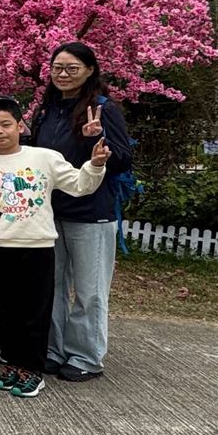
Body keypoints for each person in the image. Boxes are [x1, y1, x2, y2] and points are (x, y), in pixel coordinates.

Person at [0, 97, 110, 399]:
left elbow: (79, 185)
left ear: (20, 125)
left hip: (37, 247)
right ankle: (13, 364)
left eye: (5, 124)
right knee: (5, 312)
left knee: (34, 311)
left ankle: (32, 371)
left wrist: (95, 164)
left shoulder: (45, 158)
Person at [31, 42, 134, 383]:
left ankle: (86, 356)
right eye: (57, 68)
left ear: (90, 70)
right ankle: (54, 349)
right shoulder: (46, 110)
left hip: (91, 213)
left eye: (71, 68)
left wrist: (96, 139)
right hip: (50, 212)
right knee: (53, 286)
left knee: (89, 291)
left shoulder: (103, 108)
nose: (62, 74)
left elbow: (122, 159)